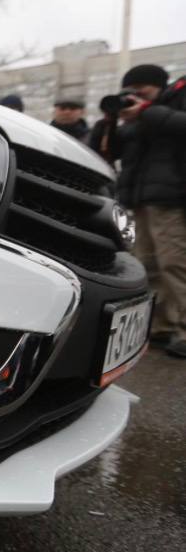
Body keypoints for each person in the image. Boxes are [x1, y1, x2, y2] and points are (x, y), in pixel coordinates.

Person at [104, 64, 186, 356]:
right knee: (147, 265)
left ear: (159, 86)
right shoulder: (136, 116)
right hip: (137, 199)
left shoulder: (173, 101)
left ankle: (183, 329)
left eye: (141, 90)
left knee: (174, 263)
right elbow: (110, 152)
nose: (134, 95)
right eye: (129, 91)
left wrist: (146, 111)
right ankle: (161, 326)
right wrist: (112, 120)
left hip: (172, 197)